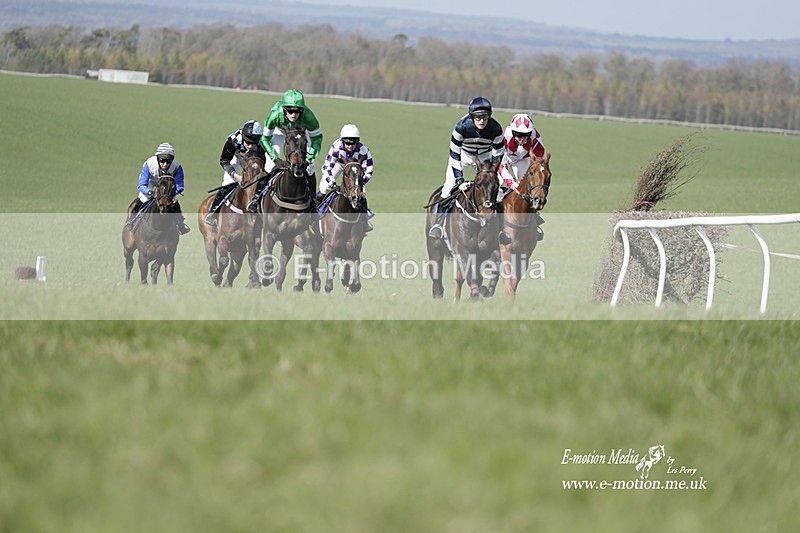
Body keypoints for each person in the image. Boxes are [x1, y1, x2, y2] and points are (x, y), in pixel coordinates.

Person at [428, 96, 507, 242]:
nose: (482, 121)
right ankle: (438, 226)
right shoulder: (462, 127)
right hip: (463, 155)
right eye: (478, 117)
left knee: (499, 190)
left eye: (485, 117)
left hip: (485, 156)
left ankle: (502, 230)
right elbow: (454, 154)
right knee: (448, 188)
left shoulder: (496, 129)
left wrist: (492, 173)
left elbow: (498, 155)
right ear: (472, 117)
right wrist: (459, 180)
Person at [248, 89, 323, 213]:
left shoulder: (309, 117)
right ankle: (256, 199)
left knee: (310, 168)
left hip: (301, 134)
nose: (293, 114)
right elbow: (265, 139)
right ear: (284, 110)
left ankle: (313, 203)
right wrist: (275, 158)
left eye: (297, 110)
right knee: (270, 165)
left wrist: (309, 158)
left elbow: (317, 139)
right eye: (290, 110)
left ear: (302, 110)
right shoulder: (275, 115)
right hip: (281, 133)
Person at [205, 120, 266, 226]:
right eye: (248, 142)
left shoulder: (263, 143)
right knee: (228, 183)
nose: (250, 146)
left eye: (254, 143)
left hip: (254, 160)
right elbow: (224, 160)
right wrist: (235, 176)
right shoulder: (234, 140)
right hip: (236, 157)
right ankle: (213, 212)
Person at [319, 124, 375, 232]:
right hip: (339, 164)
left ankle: (364, 220)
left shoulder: (364, 151)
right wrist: (331, 182)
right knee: (324, 188)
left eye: (353, 143)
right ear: (342, 141)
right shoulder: (336, 148)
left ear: (357, 142)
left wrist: (360, 182)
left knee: (361, 193)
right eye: (347, 143)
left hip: (355, 167)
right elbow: (327, 167)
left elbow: (369, 169)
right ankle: (316, 213)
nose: (350, 146)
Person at [126, 142, 190, 234]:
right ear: (158, 159)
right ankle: (132, 220)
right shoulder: (149, 164)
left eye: (168, 161)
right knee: (143, 199)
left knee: (175, 202)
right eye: (162, 161)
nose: (164, 164)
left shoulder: (177, 167)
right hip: (151, 182)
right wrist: (150, 192)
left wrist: (169, 194)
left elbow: (180, 186)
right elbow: (142, 185)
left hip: (167, 186)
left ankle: (180, 224)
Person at [499, 113, 546, 190]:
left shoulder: (535, 138)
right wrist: (511, 183)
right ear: (513, 133)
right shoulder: (504, 136)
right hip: (505, 157)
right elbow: (501, 164)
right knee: (500, 181)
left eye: (525, 135)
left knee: (526, 183)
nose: (522, 139)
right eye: (519, 135)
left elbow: (539, 161)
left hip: (523, 159)